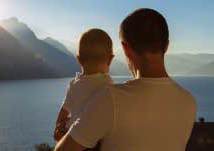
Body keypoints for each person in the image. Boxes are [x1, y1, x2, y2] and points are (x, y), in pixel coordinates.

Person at [54, 8, 196, 151]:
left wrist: (64, 137)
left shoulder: (110, 99)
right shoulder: (189, 102)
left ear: (125, 48)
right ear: (166, 46)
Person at [53, 28, 114, 150]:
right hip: (96, 142)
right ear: (110, 59)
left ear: (78, 59)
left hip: (72, 136)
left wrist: (58, 129)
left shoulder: (74, 84)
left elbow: (64, 111)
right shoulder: (108, 84)